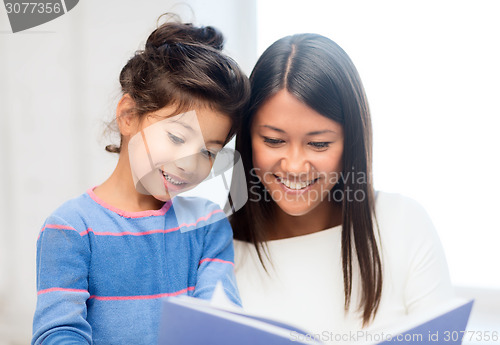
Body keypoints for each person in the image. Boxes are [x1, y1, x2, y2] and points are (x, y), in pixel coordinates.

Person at [32, 16, 250, 345]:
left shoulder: (206, 226)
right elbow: (59, 334)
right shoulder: (71, 228)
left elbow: (219, 322)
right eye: (177, 138)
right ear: (129, 116)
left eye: (208, 152)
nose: (189, 164)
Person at [230, 33, 453, 343]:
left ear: (351, 143)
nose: (294, 166)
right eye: (273, 140)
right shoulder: (216, 246)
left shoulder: (404, 224)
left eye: (319, 143)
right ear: (247, 137)